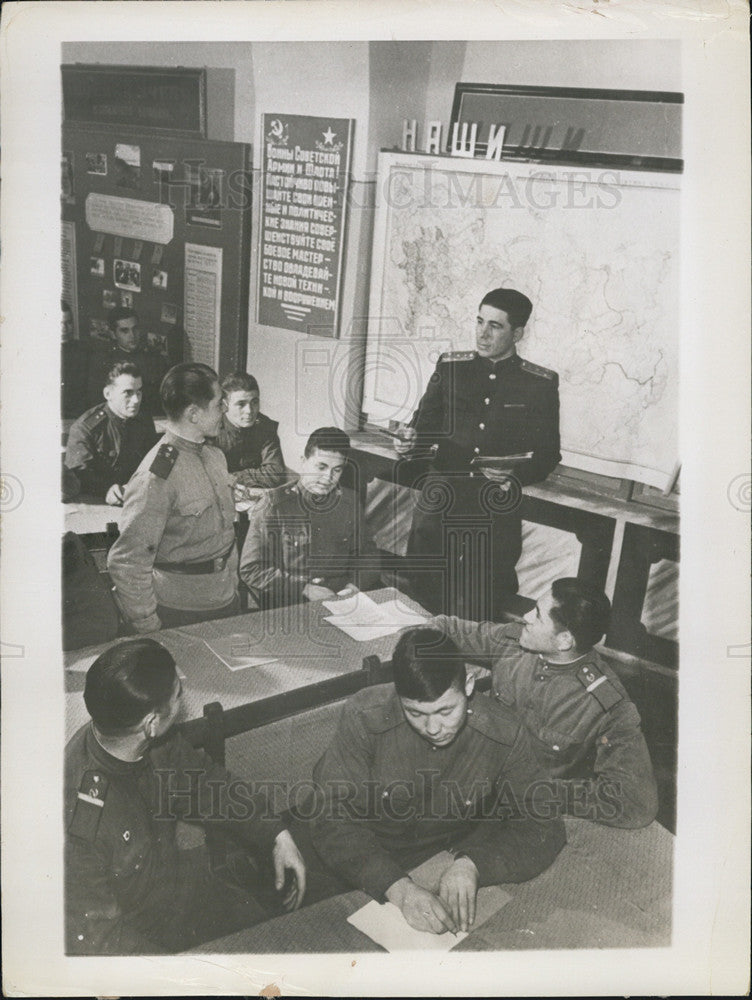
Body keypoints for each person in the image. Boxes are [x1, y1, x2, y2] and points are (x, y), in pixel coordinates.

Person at [306, 627, 565, 934]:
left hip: (440, 856)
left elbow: (544, 825)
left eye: (446, 710)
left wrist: (474, 866)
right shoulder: (365, 714)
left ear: (468, 685)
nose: (433, 727)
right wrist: (397, 888)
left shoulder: (504, 732)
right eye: (415, 712)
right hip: (360, 856)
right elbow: (330, 816)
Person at [65, 638, 306, 954]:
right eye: (178, 695)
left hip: (177, 894)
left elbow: (209, 784)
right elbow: (100, 940)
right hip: (134, 936)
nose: (183, 699)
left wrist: (275, 832)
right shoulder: (81, 815)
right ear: (151, 723)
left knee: (278, 939)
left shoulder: (150, 740)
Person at [430, 578, 659, 828]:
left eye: (537, 615)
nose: (525, 617)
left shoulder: (607, 705)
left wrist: (542, 789)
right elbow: (452, 629)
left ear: (564, 641)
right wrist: (419, 635)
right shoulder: (515, 641)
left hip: (516, 812)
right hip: (469, 770)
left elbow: (636, 802)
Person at [393, 287, 560, 620]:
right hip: (440, 498)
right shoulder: (452, 367)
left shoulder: (538, 383)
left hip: (493, 505)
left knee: (478, 602)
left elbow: (548, 454)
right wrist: (408, 444)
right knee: (422, 593)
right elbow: (421, 429)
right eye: (479, 321)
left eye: (495, 326)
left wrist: (514, 477)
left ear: (518, 333)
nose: (482, 334)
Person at [107, 362, 239, 632]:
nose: (225, 409)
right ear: (193, 413)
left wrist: (233, 584)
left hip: (225, 600)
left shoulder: (216, 457)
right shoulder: (156, 476)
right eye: (218, 404)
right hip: (181, 611)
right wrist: (147, 623)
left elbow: (227, 533)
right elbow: (127, 561)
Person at [239, 426, 381, 608]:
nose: (327, 477)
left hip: (341, 598)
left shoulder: (349, 502)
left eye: (336, 470)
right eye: (321, 467)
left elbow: (367, 555)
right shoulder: (274, 505)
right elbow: (251, 569)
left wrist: (353, 586)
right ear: (303, 461)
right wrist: (304, 588)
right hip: (291, 601)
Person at [64, 362, 159, 505]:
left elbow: (154, 459)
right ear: (108, 394)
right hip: (99, 503)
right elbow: (80, 476)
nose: (136, 400)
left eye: (139, 392)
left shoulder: (143, 420)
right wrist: (107, 490)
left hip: (138, 498)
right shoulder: (85, 428)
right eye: (128, 393)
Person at [214, 371, 287, 497]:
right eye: (241, 404)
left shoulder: (265, 426)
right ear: (225, 405)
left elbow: (276, 473)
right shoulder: (212, 428)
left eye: (254, 402)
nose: (249, 411)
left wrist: (231, 478)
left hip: (250, 498)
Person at [87, 307, 170, 415]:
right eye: (124, 330)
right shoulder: (103, 362)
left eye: (135, 329)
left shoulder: (154, 359)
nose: (132, 335)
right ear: (113, 334)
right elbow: (96, 402)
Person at [61, 299, 89, 419]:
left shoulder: (82, 351)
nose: (64, 329)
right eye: (59, 323)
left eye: (69, 323)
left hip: (76, 419)